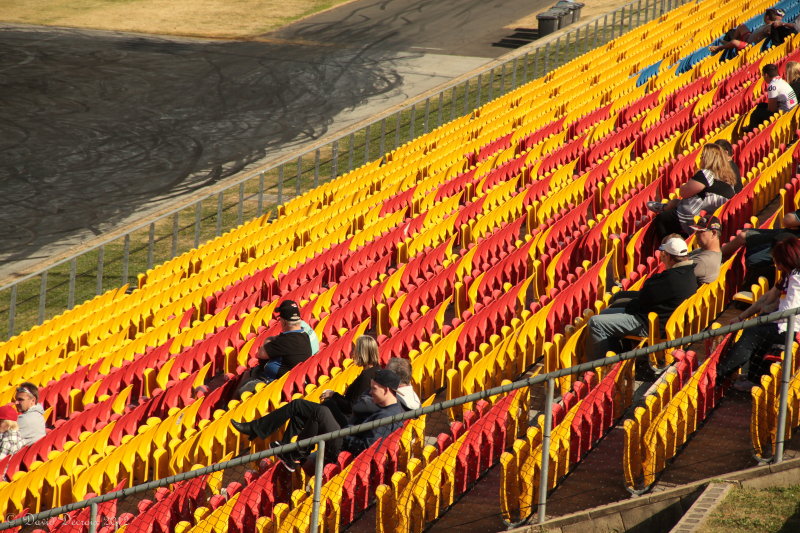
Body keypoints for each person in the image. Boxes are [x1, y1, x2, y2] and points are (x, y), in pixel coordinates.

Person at [232, 369, 406, 470]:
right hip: (349, 431)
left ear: (386, 390)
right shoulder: (389, 407)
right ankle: (257, 430)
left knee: (321, 413)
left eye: (374, 389)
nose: (370, 392)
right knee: (302, 405)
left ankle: (294, 453)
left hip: (348, 445)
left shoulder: (387, 416)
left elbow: (367, 448)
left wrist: (345, 433)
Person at [585, 236, 698, 359]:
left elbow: (643, 300)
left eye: (663, 254)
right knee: (606, 313)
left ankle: (598, 366)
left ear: (668, 256)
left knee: (595, 322)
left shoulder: (671, 279)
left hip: (650, 324)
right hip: (662, 320)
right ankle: (614, 356)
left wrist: (628, 305)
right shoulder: (689, 273)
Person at [718, 236, 800, 391]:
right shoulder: (789, 275)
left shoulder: (797, 277)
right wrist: (741, 317)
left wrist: (768, 312)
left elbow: (789, 310)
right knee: (759, 325)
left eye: (778, 261)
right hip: (786, 325)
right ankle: (754, 377)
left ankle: (720, 374)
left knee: (753, 331)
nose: (776, 265)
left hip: (793, 330)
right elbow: (767, 298)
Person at [647, 143, 737, 239]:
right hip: (713, 217)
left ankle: (665, 248)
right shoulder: (729, 177)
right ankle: (667, 207)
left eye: (702, 157)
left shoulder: (706, 174)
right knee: (677, 203)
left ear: (708, 159)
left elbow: (684, 193)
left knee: (662, 218)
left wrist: (682, 187)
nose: (700, 159)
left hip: (696, 217)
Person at [236, 300, 313, 396]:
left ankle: (230, 408)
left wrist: (268, 339)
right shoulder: (304, 335)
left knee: (242, 391)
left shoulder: (285, 341)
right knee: (252, 372)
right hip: (293, 381)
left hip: (276, 383)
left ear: (284, 322)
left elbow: (260, 354)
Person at [721, 210, 800, 288]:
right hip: (789, 235)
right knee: (745, 234)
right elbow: (787, 221)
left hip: (792, 244)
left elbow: (787, 220)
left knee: (753, 259)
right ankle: (718, 256)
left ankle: (749, 287)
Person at [318, 335, 382, 428]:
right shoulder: (377, 370)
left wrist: (333, 395)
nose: (352, 353)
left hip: (351, 422)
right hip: (357, 419)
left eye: (355, 350)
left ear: (362, 353)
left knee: (320, 406)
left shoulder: (366, 377)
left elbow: (351, 407)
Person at [745, 63, 798, 133]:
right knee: (761, 105)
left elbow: (772, 109)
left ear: (766, 75)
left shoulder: (773, 85)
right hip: (792, 111)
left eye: (763, 75)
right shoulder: (782, 82)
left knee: (756, 114)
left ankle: (752, 131)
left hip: (784, 113)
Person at [688, 216, 723, 284]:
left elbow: (676, 274)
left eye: (700, 231)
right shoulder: (703, 250)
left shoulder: (704, 261)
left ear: (713, 233)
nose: (696, 234)